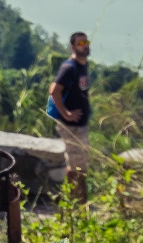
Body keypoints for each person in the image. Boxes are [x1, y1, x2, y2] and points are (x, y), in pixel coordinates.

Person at [47, 31, 92, 201]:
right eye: (80, 43)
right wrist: (66, 113)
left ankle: (72, 201)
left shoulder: (83, 66)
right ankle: (78, 202)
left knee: (75, 164)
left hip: (80, 124)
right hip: (71, 126)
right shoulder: (69, 68)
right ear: (73, 47)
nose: (85, 45)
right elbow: (54, 91)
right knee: (78, 167)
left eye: (86, 41)